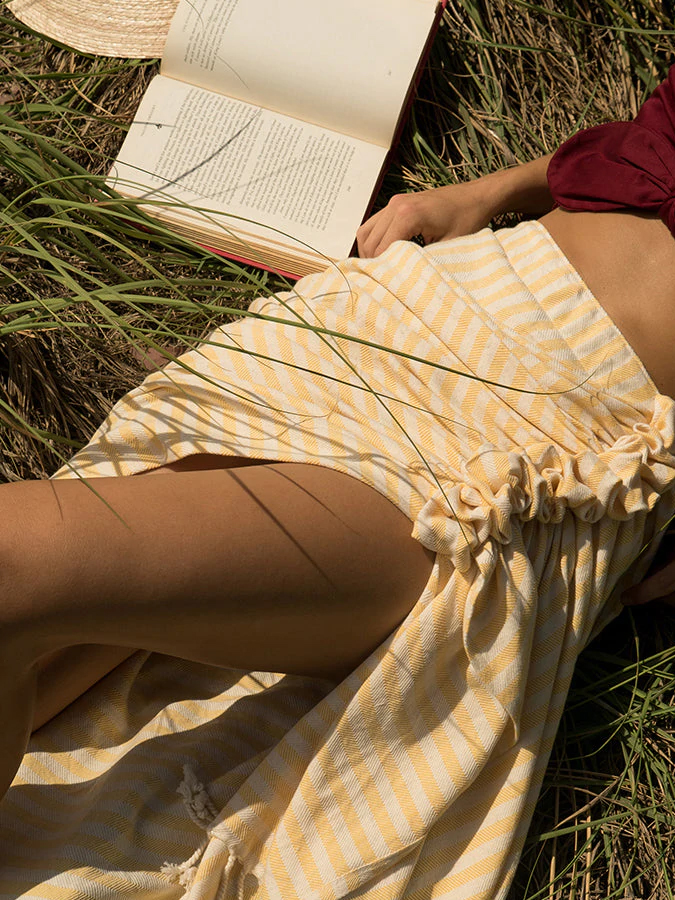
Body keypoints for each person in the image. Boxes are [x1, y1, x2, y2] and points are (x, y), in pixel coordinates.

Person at [3, 65, 675, 900]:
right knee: (51, 648)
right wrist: (485, 192)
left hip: (548, 431)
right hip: (418, 306)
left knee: (19, 571)